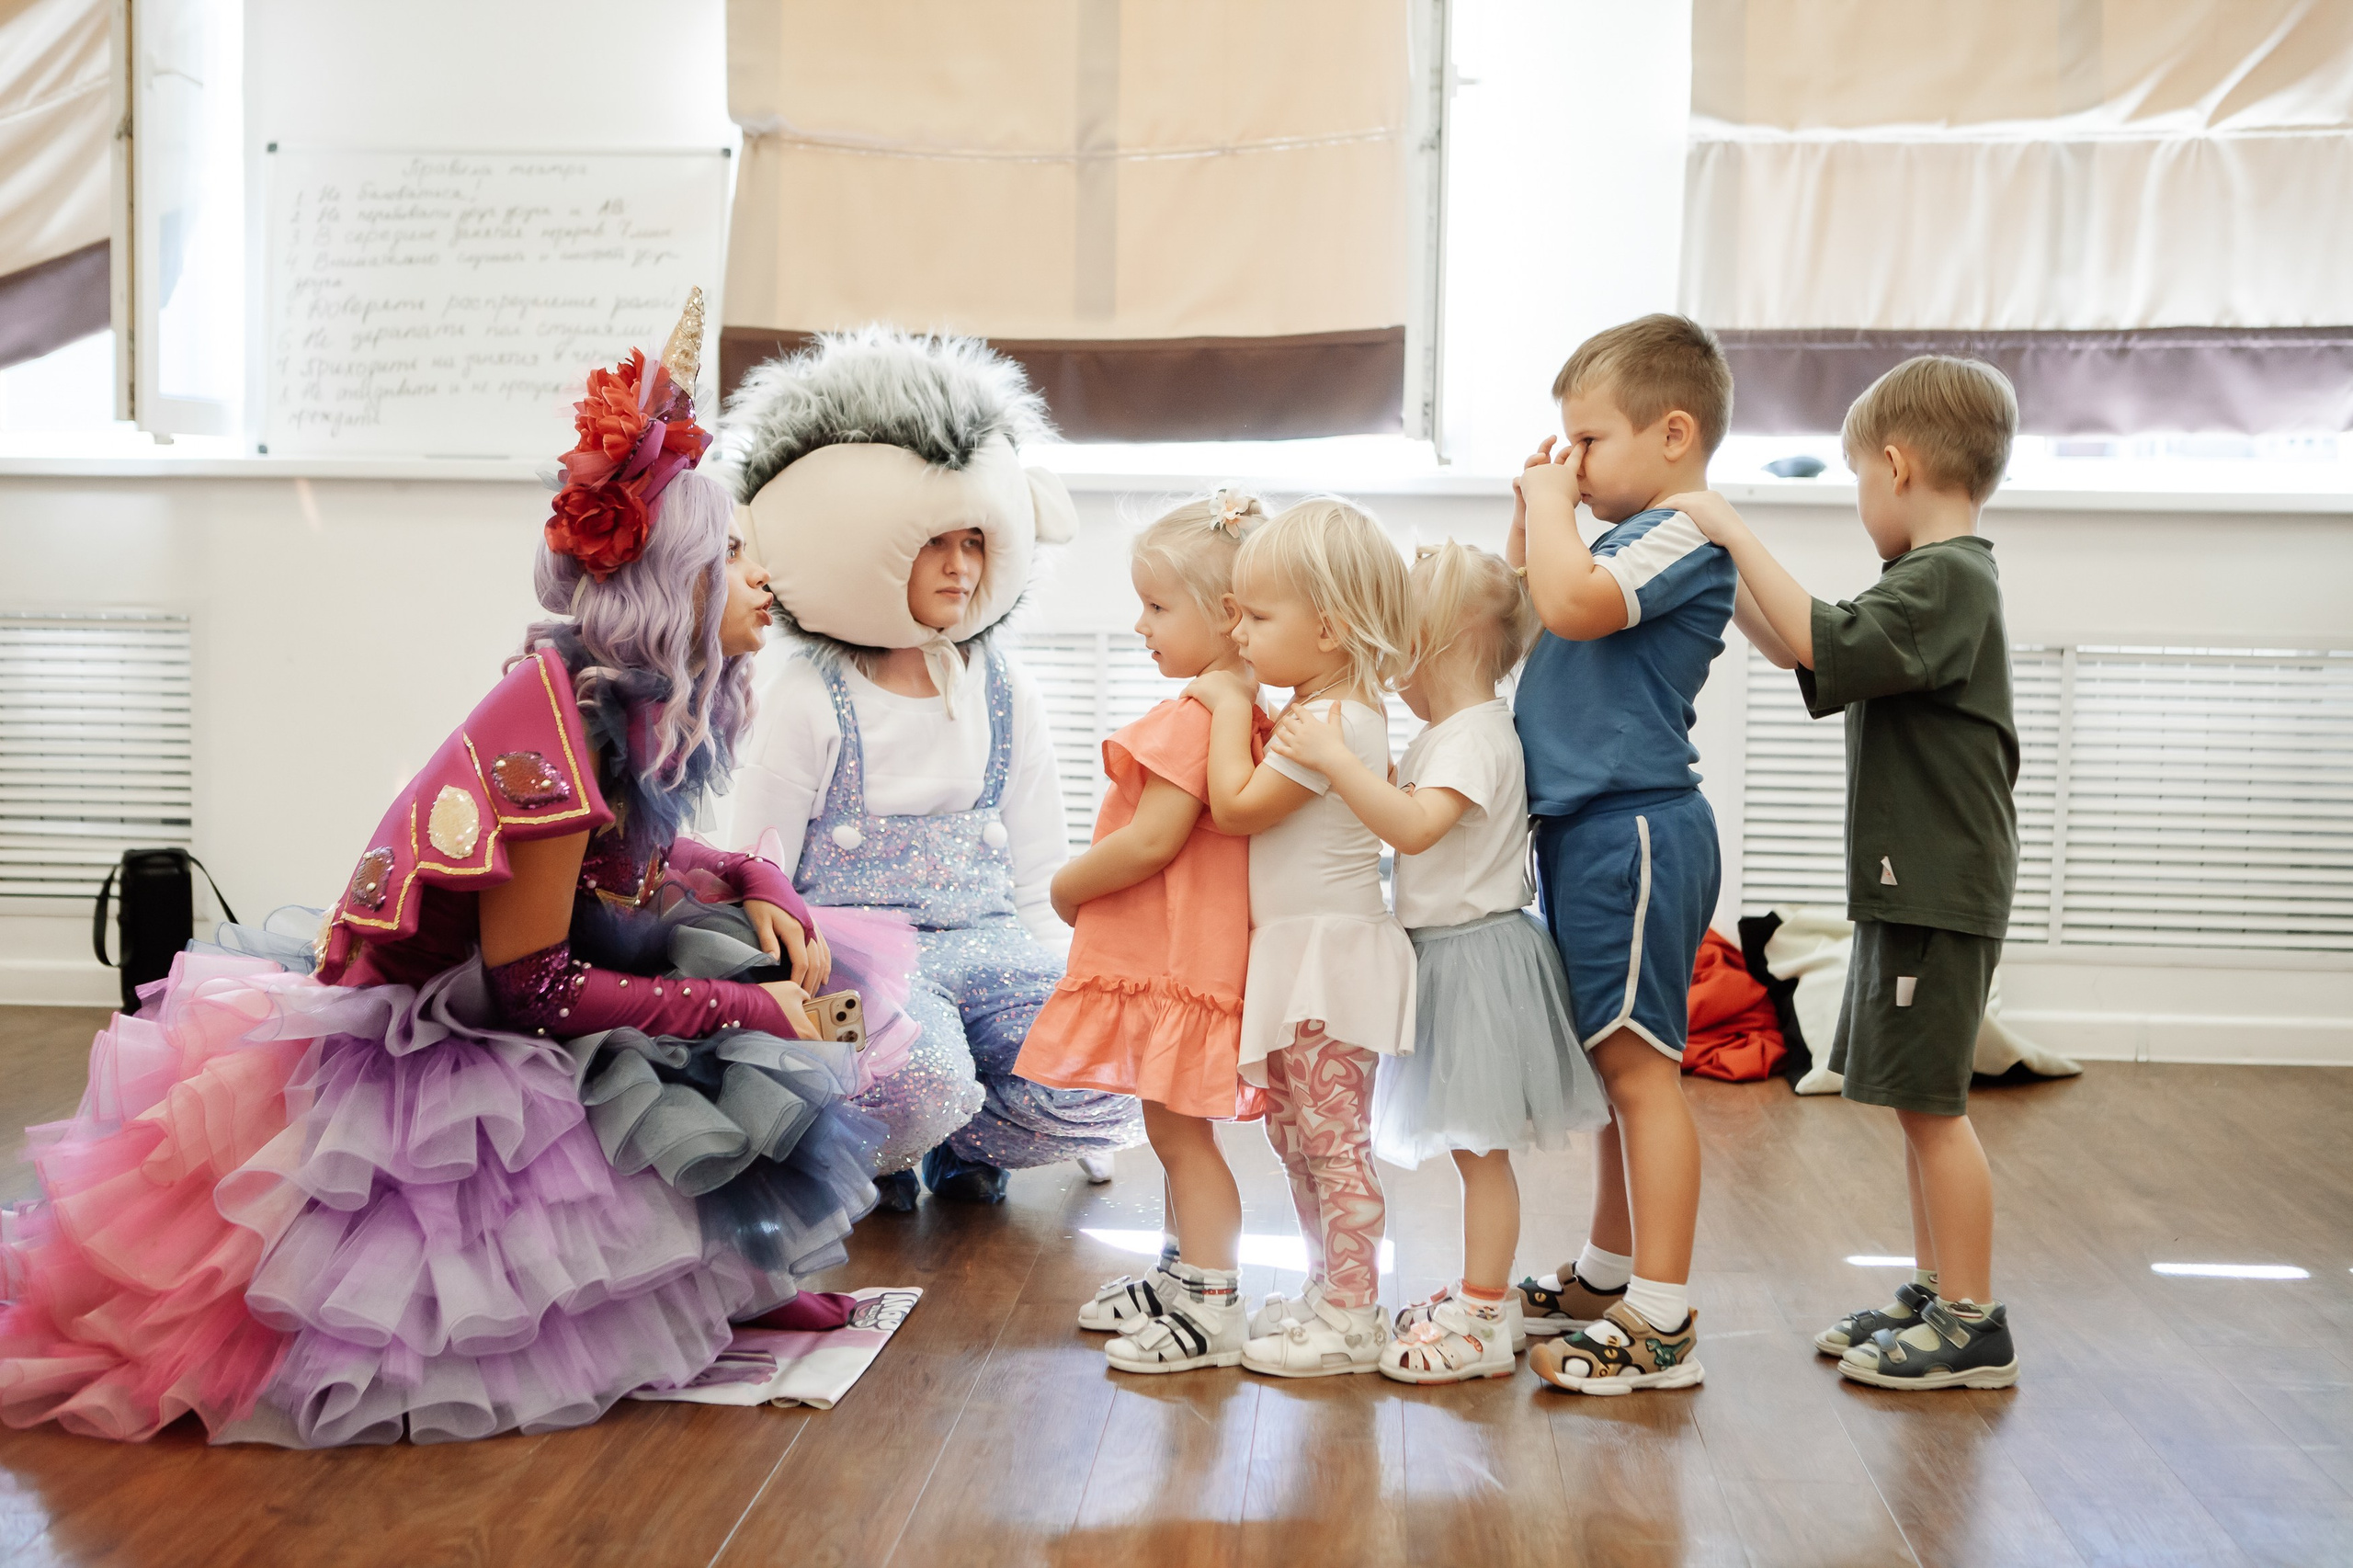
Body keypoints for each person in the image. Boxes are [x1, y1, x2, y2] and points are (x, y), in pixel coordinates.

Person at [0, 298, 899, 1445]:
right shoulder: (559, 731)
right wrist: (744, 1004)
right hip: (453, 1037)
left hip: (519, 990)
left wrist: (755, 880)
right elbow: (536, 989)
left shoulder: (614, 701)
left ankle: (727, 1280)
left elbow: (628, 857)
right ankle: (705, 1284)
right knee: (716, 1037)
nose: (763, 580)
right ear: (675, 578)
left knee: (739, 991)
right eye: (732, 556)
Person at [1665, 355, 2023, 1392]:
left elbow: (1820, 634)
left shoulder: (1947, 579)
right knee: (1917, 1099)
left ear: (1897, 466)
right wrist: (1720, 565)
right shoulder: (1926, 583)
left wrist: (1732, 528)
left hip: (1939, 889)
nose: (1862, 497)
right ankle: (1938, 1290)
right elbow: (1804, 647)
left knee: (1935, 1108)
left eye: (1861, 477)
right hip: (1917, 883)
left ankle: (1972, 1322)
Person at [726, 327, 1144, 1210]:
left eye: (975, 542)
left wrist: (1070, 993)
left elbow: (1040, 869)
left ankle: (952, 1146)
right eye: (933, 543)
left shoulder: (1006, 692)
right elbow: (758, 871)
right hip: (854, 954)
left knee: (1109, 1065)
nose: (960, 566)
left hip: (988, 938)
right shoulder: (808, 697)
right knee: (922, 1077)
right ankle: (882, 1147)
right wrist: (774, 1000)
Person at [1266, 542, 1608, 1384]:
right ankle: (1481, 1296)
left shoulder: (1473, 738)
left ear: (1431, 647)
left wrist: (1338, 761)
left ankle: (1484, 1317)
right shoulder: (1455, 734)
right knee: (1471, 1150)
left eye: (1395, 650)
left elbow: (1414, 831)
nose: (1388, 673)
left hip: (1476, 961)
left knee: (1481, 1152)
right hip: (1454, 954)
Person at [1506, 313, 1735, 1396]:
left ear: (1673, 434)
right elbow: (1534, 608)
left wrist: (1551, 511)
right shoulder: (1612, 539)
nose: (1575, 462)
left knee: (1642, 1072)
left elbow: (1570, 606)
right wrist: (1534, 519)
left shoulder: (1684, 531)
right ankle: (1607, 1274)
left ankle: (1662, 1314)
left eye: (1590, 440)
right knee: (1614, 1065)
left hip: (1634, 830)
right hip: (1588, 831)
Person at [1017, 491, 1271, 1373]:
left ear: (1228, 615)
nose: (1140, 626)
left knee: (1180, 1136)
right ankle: (1180, 1273)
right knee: (1172, 1131)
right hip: (1178, 961)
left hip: (1176, 963)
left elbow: (1153, 840)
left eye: (1158, 607)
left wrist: (1067, 887)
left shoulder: (1199, 715)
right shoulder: (1233, 709)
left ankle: (1212, 1299)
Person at [1186, 498, 1416, 1379]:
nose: (1237, 633)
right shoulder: (1321, 712)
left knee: (1333, 1143)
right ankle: (1328, 1289)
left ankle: (1354, 1314)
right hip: (1300, 957)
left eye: (1255, 616)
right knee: (1296, 1138)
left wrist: (1227, 705)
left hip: (1329, 964)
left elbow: (1236, 808)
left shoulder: (1335, 724)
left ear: (1327, 628)